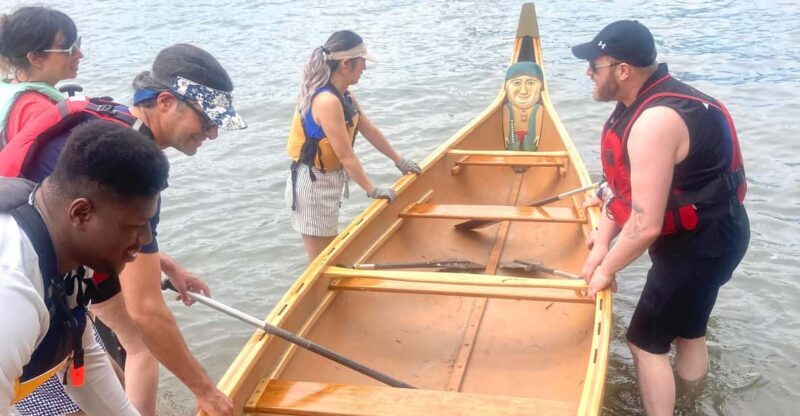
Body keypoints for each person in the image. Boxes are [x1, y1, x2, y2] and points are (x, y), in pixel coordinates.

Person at [4, 44, 244, 416]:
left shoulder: (109, 137)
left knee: (95, 364)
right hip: (23, 330)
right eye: (206, 119)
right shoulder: (15, 299)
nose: (212, 133)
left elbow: (92, 229)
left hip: (53, 282)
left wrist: (160, 262)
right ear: (165, 102)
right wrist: (207, 392)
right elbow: (146, 310)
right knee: (139, 342)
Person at [572, 21, 750, 415]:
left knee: (644, 343)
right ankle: (691, 404)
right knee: (689, 331)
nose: (588, 72)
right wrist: (601, 242)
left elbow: (645, 224)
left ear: (622, 70)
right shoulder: (653, 102)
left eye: (594, 65)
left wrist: (605, 270)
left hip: (699, 244)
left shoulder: (654, 122)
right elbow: (625, 191)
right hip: (722, 232)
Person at [0, 120, 169, 415]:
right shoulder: (12, 294)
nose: (145, 240)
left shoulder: (65, 247)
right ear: (81, 213)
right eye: (135, 226)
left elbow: (82, 354)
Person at [286, 30, 421, 261]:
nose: (364, 69)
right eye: (362, 63)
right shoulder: (327, 101)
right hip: (312, 186)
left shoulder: (345, 96)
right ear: (346, 64)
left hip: (328, 181)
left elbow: (370, 131)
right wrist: (372, 189)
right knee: (321, 259)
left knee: (329, 253)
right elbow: (346, 155)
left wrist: (399, 161)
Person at [0, 6, 82, 146]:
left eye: (78, 43)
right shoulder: (39, 113)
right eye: (69, 49)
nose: (79, 54)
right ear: (35, 58)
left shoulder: (10, 89)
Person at [502, 61, 544, 151]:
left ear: (541, 86)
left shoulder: (538, 108)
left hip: (530, 137)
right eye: (517, 83)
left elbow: (537, 123)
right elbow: (507, 123)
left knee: (529, 147)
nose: (523, 91)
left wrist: (537, 135)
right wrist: (506, 136)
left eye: (531, 83)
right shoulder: (508, 108)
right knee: (513, 146)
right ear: (506, 87)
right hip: (514, 137)